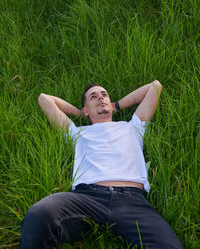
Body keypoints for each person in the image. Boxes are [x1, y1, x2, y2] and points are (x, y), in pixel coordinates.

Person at [20, 81, 184, 249]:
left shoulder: (133, 127)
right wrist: (80, 113)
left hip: (131, 200)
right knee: (38, 215)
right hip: (86, 198)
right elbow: (44, 99)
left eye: (104, 95)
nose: (100, 98)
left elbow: (155, 87)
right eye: (93, 97)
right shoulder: (76, 133)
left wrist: (116, 105)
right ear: (86, 110)